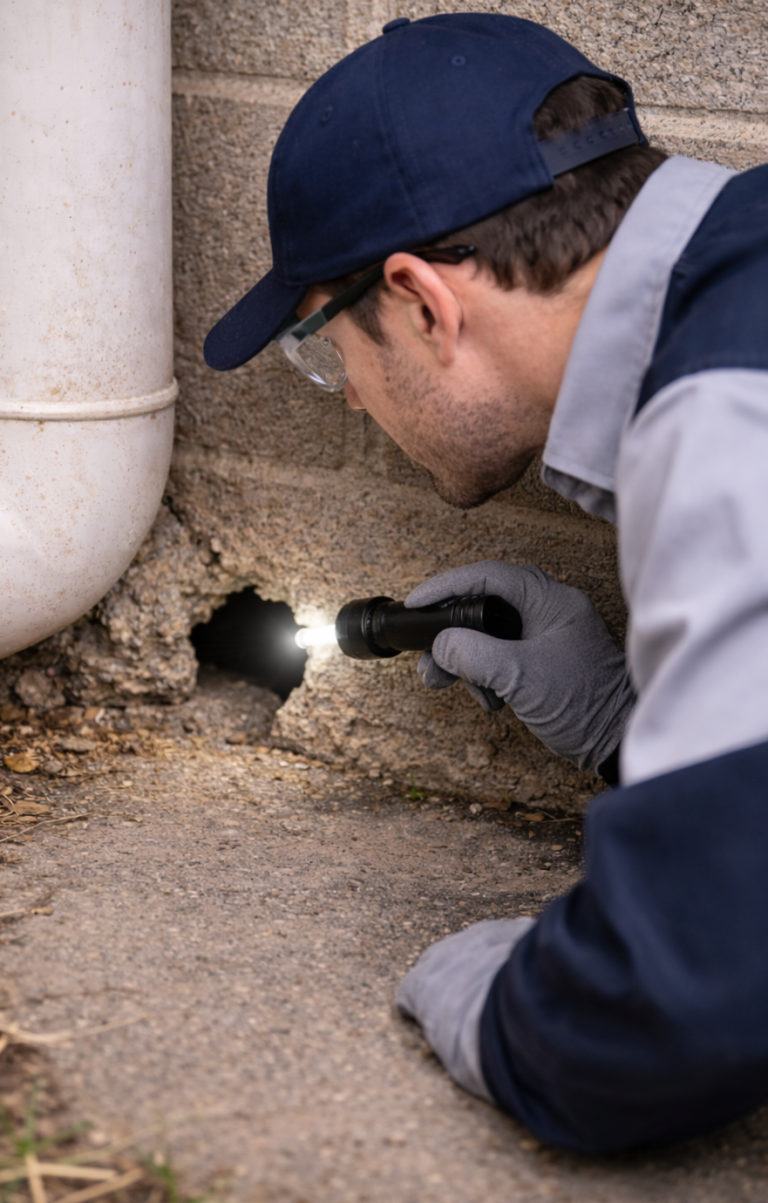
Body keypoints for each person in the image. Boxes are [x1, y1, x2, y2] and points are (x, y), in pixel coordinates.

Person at [203, 13, 768, 1153]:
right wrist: (632, 732)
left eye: (327, 349)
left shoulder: (723, 420)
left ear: (419, 300)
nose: (351, 399)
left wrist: (499, 1000)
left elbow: (655, 1027)